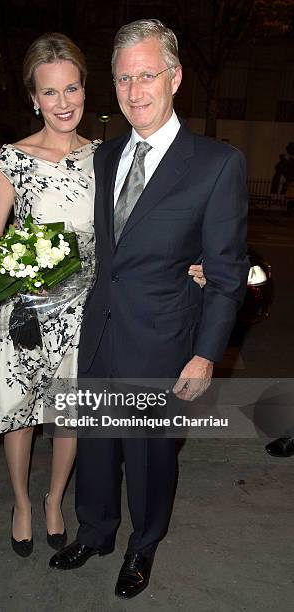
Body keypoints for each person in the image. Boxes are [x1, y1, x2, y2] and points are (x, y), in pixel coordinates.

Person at [49, 19, 249, 600]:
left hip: (164, 342)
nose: (135, 91)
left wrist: (206, 355)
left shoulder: (217, 163)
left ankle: (143, 547)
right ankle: (96, 532)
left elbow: (227, 274)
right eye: (123, 79)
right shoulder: (105, 156)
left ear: (175, 78)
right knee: (95, 447)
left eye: (147, 75)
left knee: (149, 460)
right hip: (99, 332)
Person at [0, 32, 99, 557]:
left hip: (83, 312)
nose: (64, 103)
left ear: (85, 88)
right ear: (33, 98)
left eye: (72, 88)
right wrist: (26, 265)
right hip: (25, 311)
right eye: (50, 92)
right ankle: (21, 502)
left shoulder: (104, 159)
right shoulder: (13, 158)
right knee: (18, 413)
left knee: (69, 416)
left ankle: (54, 499)